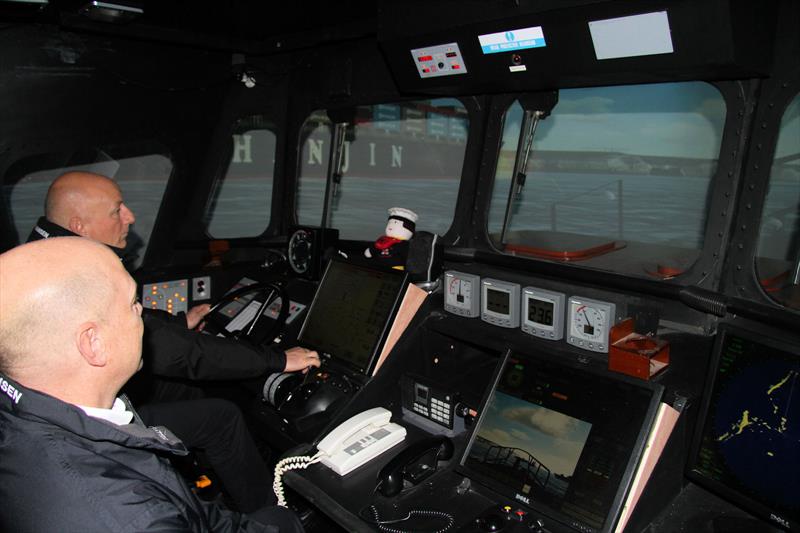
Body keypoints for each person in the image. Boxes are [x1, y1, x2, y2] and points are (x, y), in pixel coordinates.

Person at [27, 170, 322, 513]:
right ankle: (270, 517)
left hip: (64, 411)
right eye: (116, 210)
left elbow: (144, 323)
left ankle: (206, 482)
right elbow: (184, 354)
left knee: (189, 390)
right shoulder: (80, 277)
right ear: (80, 226)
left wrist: (181, 321)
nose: (130, 217)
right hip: (84, 429)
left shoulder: (45, 257)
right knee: (222, 416)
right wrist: (278, 360)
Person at [0, 238, 303, 532]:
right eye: (133, 303)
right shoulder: (135, 515)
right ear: (93, 343)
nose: (142, 312)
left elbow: (193, 515)